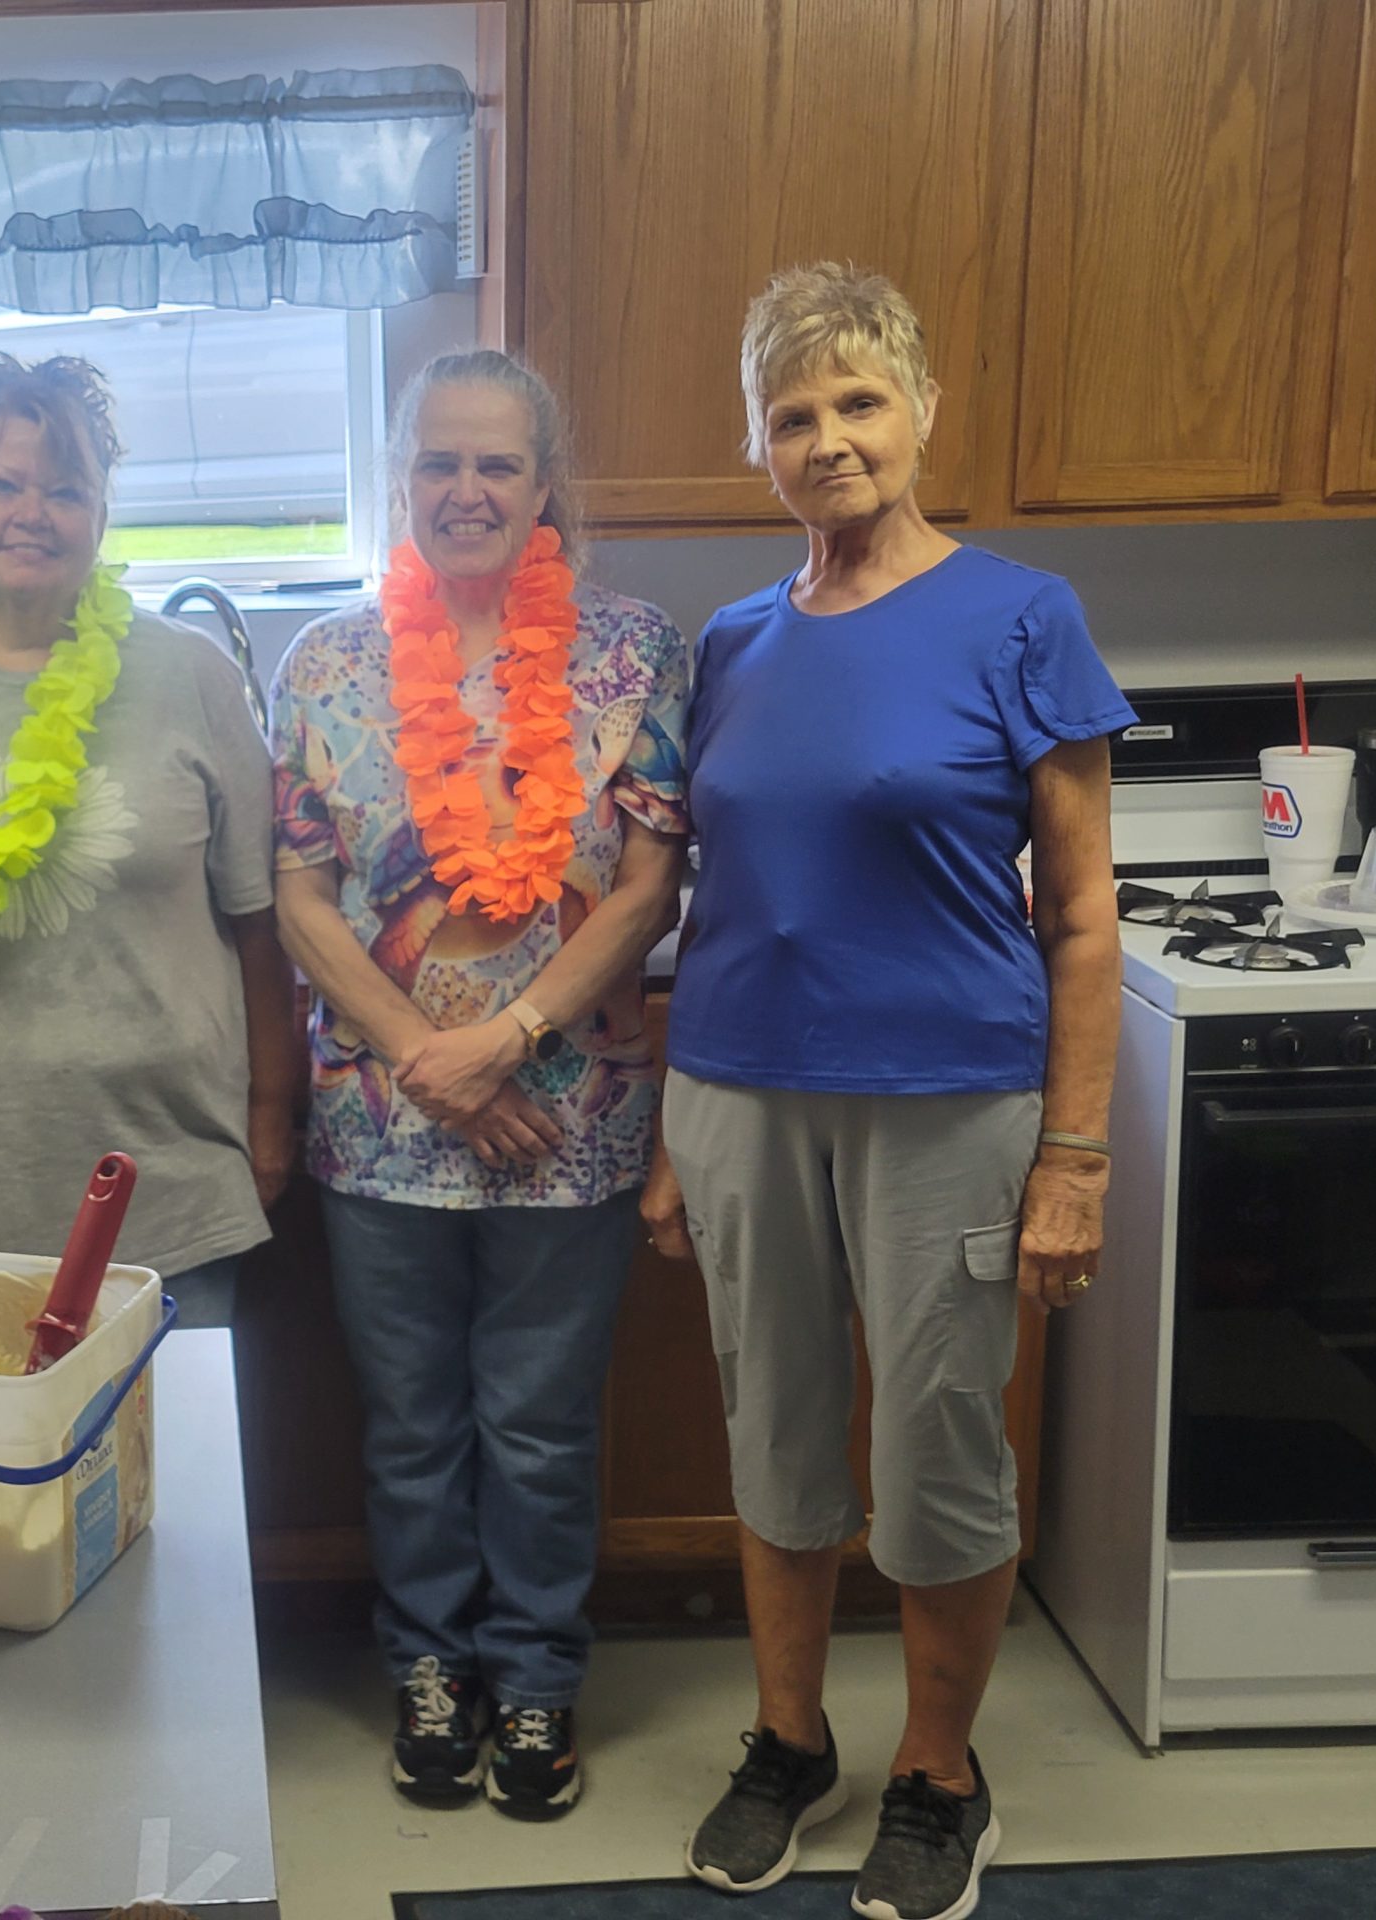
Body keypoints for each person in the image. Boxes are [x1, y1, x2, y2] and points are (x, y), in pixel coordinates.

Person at [648, 264, 1129, 1920]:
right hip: (739, 1094)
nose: (830, 438)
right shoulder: (731, 642)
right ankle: (790, 1743)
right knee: (773, 1432)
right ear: (756, 444)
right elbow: (710, 895)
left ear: (922, 411)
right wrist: (675, 1131)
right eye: (793, 413)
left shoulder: (1020, 615)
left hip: (946, 1093)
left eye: (860, 401)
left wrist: (1075, 1158)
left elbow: (1083, 916)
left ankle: (939, 1773)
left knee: (938, 1444)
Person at [270, 349, 689, 1820]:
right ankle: (430, 1669)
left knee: (539, 1425)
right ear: (401, 478)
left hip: (572, 1118)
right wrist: (425, 1059)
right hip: (380, 1123)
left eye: (496, 463)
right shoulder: (323, 662)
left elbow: (646, 887)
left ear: (543, 482)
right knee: (409, 1426)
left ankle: (537, 1680)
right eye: (438, 462)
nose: (466, 489)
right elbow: (302, 895)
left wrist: (506, 1041)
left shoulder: (633, 653)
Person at [0, 354, 297, 1326]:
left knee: (170, 1435)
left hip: (167, 1200)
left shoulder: (194, 679)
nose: (31, 514)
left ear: (101, 516)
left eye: (66, 491)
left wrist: (270, 1124)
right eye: (3, 485)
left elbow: (262, 931)